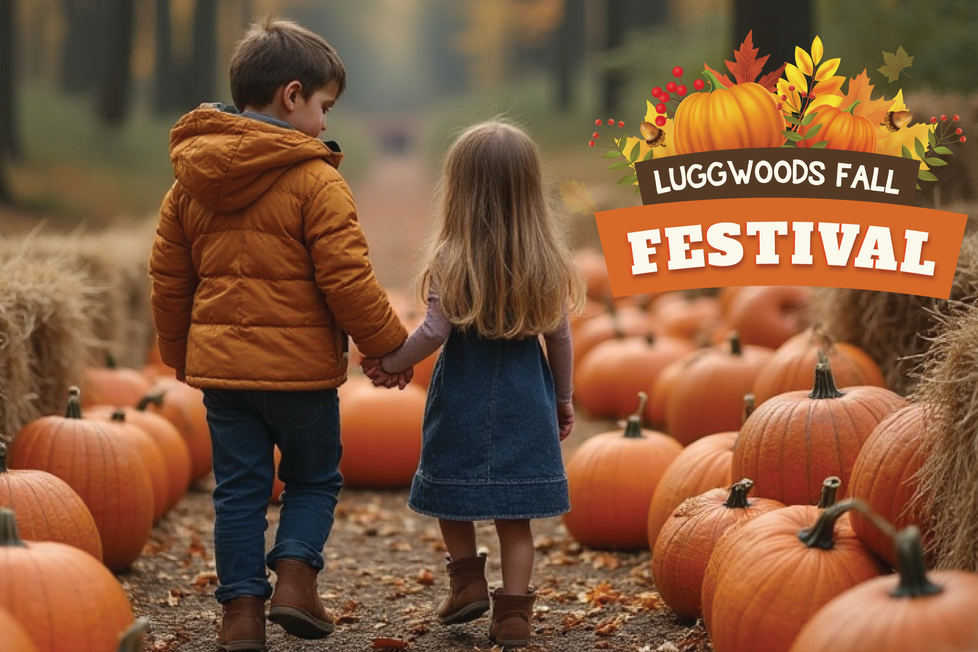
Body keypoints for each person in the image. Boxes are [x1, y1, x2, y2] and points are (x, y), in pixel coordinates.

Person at [149, 17, 411, 652]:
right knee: (313, 479)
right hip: (301, 376)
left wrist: (181, 356)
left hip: (224, 377)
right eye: (325, 107)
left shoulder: (188, 185)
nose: (323, 123)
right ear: (292, 96)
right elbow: (347, 278)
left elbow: (169, 281)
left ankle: (241, 617)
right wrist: (387, 346)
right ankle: (295, 578)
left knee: (238, 493)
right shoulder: (317, 180)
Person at [362, 119, 586, 648]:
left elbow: (433, 331)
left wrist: (392, 361)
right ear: (529, 190)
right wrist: (563, 397)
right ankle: (514, 616)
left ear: (459, 190)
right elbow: (559, 337)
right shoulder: (545, 259)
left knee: (448, 491)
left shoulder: (451, 256)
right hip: (526, 397)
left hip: (463, 393)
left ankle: (466, 583)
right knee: (516, 517)